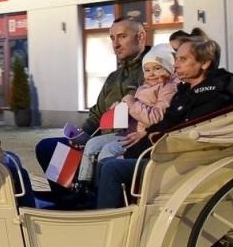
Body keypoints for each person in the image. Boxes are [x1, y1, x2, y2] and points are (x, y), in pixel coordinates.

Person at [92, 37, 233, 208]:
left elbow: (185, 132)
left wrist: (149, 138)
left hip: (182, 162)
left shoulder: (212, 94)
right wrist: (145, 135)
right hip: (166, 153)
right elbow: (167, 123)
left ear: (205, 63)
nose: (176, 64)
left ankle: (107, 219)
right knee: (106, 161)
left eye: (183, 59)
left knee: (112, 168)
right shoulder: (186, 90)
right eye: (176, 58)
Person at [33, 18, 147, 183]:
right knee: (48, 147)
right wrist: (81, 135)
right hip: (96, 141)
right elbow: (96, 114)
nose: (116, 44)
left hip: (127, 144)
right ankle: (69, 199)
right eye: (112, 38)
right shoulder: (113, 78)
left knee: (87, 152)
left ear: (141, 37)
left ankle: (87, 196)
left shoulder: (153, 73)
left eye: (122, 37)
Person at [75, 43, 178, 188]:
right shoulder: (143, 87)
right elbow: (133, 110)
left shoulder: (168, 88)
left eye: (157, 68)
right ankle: (83, 184)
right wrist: (120, 110)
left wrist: (131, 103)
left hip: (140, 136)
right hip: (127, 131)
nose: (152, 74)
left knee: (108, 150)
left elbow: (155, 118)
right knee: (92, 144)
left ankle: (102, 188)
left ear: (169, 68)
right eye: (147, 70)